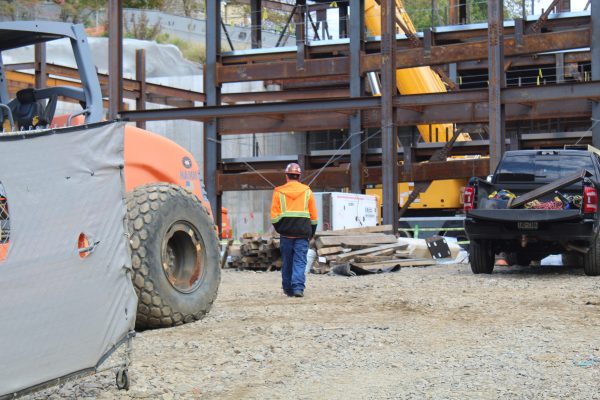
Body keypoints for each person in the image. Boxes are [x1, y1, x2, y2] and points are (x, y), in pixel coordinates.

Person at [270, 163, 318, 298]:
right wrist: (311, 232)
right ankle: (298, 288)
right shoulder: (307, 191)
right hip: (302, 233)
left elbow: (274, 216)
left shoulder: (278, 192)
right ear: (299, 176)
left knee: (287, 261)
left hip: (286, 234)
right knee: (300, 261)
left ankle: (288, 289)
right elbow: (313, 216)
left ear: (287, 176)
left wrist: (281, 229)